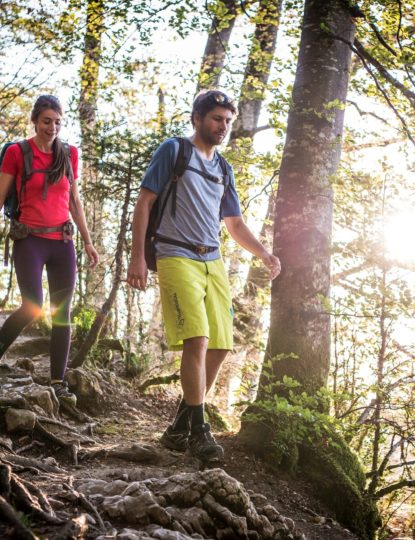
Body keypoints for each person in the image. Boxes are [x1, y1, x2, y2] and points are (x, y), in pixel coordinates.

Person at [127, 90, 281, 460]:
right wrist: (136, 258)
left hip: (212, 260)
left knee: (221, 344)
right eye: (216, 119)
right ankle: (199, 431)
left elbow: (235, 223)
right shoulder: (174, 151)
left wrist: (263, 252)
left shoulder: (223, 168)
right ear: (197, 118)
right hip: (174, 254)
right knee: (197, 339)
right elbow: (145, 201)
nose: (222, 126)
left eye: (227, 120)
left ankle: (179, 426)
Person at [0, 94, 99, 403]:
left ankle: (57, 380)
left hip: (62, 243)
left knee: (62, 313)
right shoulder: (17, 153)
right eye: (46, 121)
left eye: (57, 122)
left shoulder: (70, 154)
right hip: (29, 240)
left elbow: (74, 201)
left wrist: (88, 240)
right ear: (35, 120)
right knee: (32, 305)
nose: (52, 127)